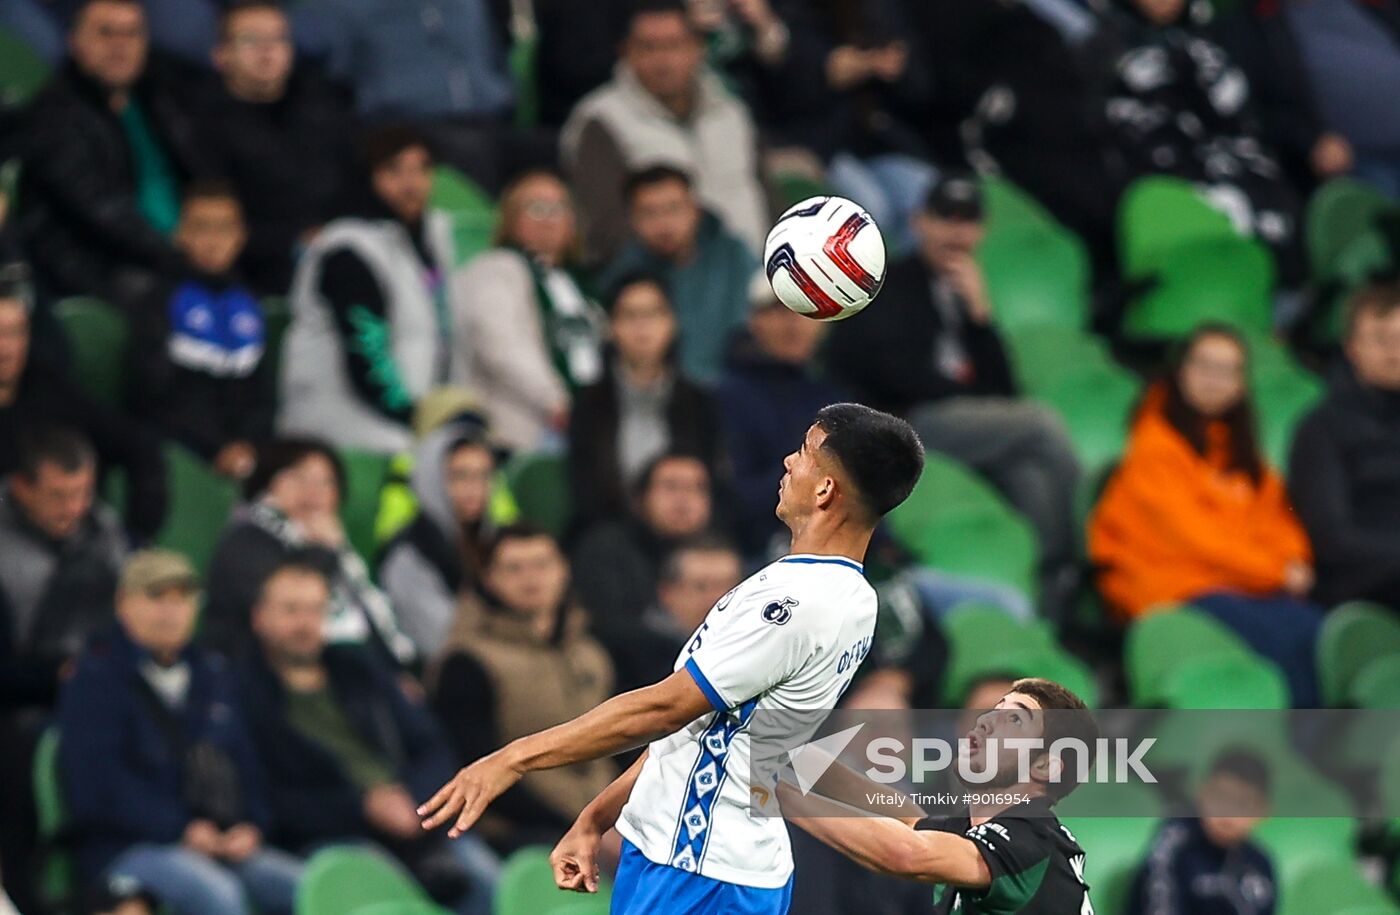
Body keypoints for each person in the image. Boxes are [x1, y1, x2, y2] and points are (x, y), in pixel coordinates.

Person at [417, 403, 924, 915]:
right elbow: (706, 730)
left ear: (826, 490)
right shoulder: (837, 592)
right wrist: (598, 817)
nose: (789, 462)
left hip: (701, 873)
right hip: (678, 855)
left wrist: (514, 757)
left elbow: (665, 710)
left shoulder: (798, 606)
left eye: (806, 452)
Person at [825, 174, 1082, 619]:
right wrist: (970, 393)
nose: (957, 233)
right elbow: (897, 376)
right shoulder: (891, 284)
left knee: (1031, 477)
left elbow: (1003, 390)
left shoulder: (967, 289)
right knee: (1040, 424)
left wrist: (980, 318)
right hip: (903, 422)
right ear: (919, 222)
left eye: (968, 221)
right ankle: (1082, 555)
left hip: (957, 420)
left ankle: (1052, 599)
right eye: (946, 219)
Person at [237, 558, 496, 914]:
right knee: (380, 891)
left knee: (490, 880)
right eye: (290, 610)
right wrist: (363, 807)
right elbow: (268, 797)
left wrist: (415, 802)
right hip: (333, 837)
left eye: (315, 610)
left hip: (419, 824)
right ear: (259, 617)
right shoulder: (241, 694)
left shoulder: (361, 670)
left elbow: (432, 745)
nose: (304, 623)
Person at [59, 550, 303, 915]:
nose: (171, 612)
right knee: (219, 897)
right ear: (124, 603)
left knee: (305, 886)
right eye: (157, 598)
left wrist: (252, 825)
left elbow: (247, 764)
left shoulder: (214, 674)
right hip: (128, 846)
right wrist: (180, 829)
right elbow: (96, 788)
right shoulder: (94, 680)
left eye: (183, 598)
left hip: (221, 842)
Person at [1091, 325, 1322, 706]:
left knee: (1313, 626)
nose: (1215, 380)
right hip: (1170, 585)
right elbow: (1193, 540)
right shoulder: (1153, 449)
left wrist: (1292, 559)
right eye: (1205, 366)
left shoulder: (1240, 449)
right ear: (1181, 370)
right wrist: (1276, 572)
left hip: (1238, 583)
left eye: (1228, 370)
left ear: (1241, 384)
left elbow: (1277, 516)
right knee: (1280, 640)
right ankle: (1302, 741)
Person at [779, 678, 1097, 914]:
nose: (986, 721)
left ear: (1045, 765)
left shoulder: (1033, 837)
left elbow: (906, 852)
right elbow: (903, 814)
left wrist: (768, 792)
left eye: (1015, 719)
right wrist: (785, 750)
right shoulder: (978, 833)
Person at [427, 526, 617, 850]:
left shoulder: (590, 652)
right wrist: (583, 827)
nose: (531, 578)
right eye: (514, 568)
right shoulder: (467, 663)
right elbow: (475, 767)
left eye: (542, 564)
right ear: (488, 578)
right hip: (523, 832)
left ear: (563, 570)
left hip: (609, 817)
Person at [278, 126, 461, 454]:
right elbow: (366, 356)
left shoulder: (429, 243)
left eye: (422, 169)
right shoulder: (348, 249)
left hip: (400, 416)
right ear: (367, 176)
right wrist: (415, 417)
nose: (412, 183)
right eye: (395, 170)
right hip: (338, 423)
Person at [13, 0, 207, 299]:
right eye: (106, 33)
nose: (121, 45)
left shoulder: (158, 102)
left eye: (132, 33)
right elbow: (100, 210)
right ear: (75, 41)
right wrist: (180, 256)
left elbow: (205, 179)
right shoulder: (54, 115)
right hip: (101, 272)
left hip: (173, 259)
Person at [1104, 0, 1305, 285]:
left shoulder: (1219, 35)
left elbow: (1254, 119)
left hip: (1264, 207)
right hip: (1183, 216)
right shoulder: (1105, 50)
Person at [561, 0, 772, 262]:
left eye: (674, 45)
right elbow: (606, 230)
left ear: (698, 48)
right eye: (649, 47)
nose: (663, 60)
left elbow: (770, 198)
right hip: (661, 288)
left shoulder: (732, 111)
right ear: (626, 52)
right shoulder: (599, 120)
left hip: (759, 279)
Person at [204, 438, 415, 668]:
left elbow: (368, 624)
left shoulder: (336, 550)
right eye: (299, 477)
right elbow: (288, 613)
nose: (313, 492)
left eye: (327, 482)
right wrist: (324, 551)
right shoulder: (247, 541)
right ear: (270, 483)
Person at [196, 0, 358, 295]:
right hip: (261, 273)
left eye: (278, 38)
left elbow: (357, 185)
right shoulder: (202, 126)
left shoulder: (324, 107)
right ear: (221, 56)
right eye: (250, 40)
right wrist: (293, 243)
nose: (266, 49)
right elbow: (216, 222)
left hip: (342, 252)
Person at [0, 265, 167, 541]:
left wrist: (137, 536)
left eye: (15, 333)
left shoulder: (49, 388)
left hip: (75, 547)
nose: (5, 348)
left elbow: (139, 446)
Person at [127, 181, 274, 480]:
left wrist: (247, 444)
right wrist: (214, 448)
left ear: (240, 236)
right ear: (180, 234)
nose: (213, 240)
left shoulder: (250, 303)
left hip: (244, 453)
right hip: (179, 452)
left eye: (224, 228)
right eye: (201, 227)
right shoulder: (157, 300)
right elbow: (151, 392)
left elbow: (263, 393)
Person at [451, 169, 606, 451]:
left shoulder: (586, 286)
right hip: (526, 430)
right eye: (536, 208)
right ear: (511, 218)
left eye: (558, 208)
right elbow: (500, 344)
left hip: (592, 429)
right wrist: (556, 402)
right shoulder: (495, 269)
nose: (548, 218)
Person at [310, 0, 522, 194]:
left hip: (489, 116)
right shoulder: (352, 8)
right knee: (469, 148)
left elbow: (494, 54)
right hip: (407, 121)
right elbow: (335, 69)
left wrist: (502, 92)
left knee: (541, 155)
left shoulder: (469, 4)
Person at [568, 273, 726, 528]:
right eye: (630, 315)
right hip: (610, 531)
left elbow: (715, 482)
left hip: (689, 531)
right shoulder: (589, 405)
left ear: (672, 322)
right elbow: (584, 490)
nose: (642, 327)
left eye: (653, 314)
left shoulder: (700, 402)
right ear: (611, 327)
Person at [718, 274, 848, 560]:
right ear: (755, 320)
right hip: (756, 551)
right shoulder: (730, 396)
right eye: (780, 311)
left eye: (806, 311)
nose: (795, 324)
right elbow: (737, 497)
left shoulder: (832, 394)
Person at [1290, 282, 1400, 610]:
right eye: (1381, 340)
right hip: (1363, 589)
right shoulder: (1321, 429)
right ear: (1352, 348)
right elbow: (1334, 540)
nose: (1395, 351)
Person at [0, 427, 126, 711]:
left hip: (102, 684)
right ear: (21, 487)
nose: (73, 508)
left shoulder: (104, 529)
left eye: (83, 493)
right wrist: (53, 676)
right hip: (21, 704)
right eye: (58, 495)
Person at [600, 166, 759, 383]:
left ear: (695, 209)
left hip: (737, 391)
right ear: (631, 219)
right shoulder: (621, 277)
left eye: (673, 208)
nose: (663, 223)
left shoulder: (735, 256)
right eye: (649, 213)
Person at [378, 422, 504, 659]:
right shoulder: (409, 553)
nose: (474, 488)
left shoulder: (494, 541)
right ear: (431, 477)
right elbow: (443, 640)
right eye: (459, 476)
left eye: (482, 476)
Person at [570, 452, 718, 646]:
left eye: (696, 488)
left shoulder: (723, 548)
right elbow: (611, 629)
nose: (684, 499)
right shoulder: (606, 549)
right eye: (671, 487)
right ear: (641, 498)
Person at [1129, 749, 1276, 915]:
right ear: (1202, 792)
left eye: (1242, 803)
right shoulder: (1174, 841)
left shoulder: (1260, 865)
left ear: (1261, 811)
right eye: (1220, 797)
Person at [609, 535, 743, 694]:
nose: (716, 599)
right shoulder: (631, 659)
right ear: (666, 593)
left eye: (728, 588)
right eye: (701, 587)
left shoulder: (755, 648)